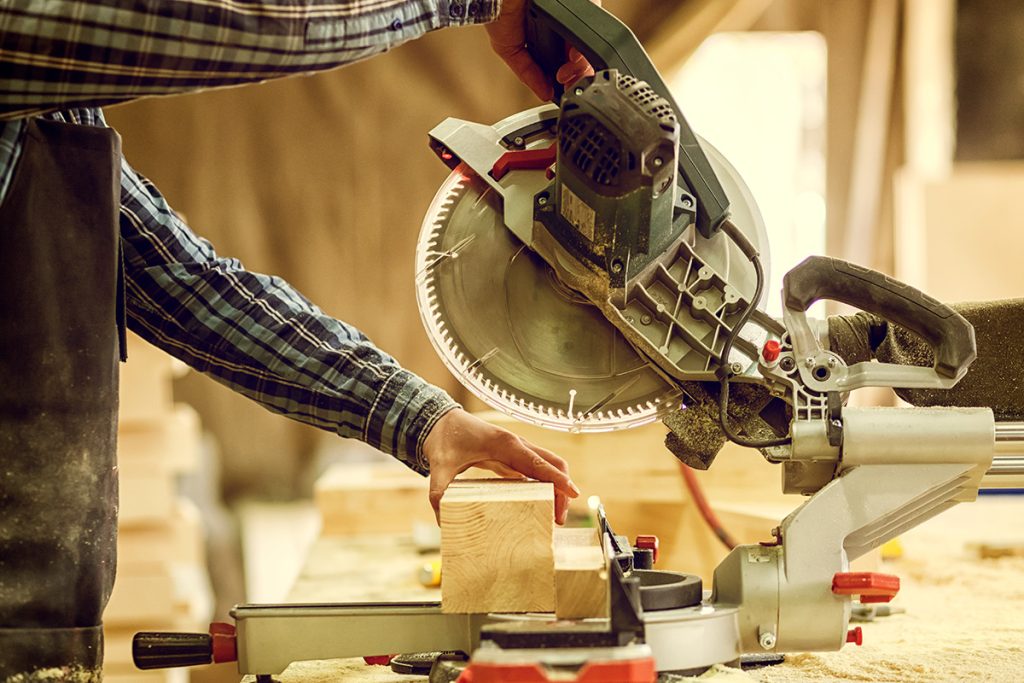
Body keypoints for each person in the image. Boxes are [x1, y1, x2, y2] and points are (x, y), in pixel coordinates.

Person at [0, 1, 592, 678]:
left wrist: (426, 420)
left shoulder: (46, 119)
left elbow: (198, 289)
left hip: (35, 626)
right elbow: (242, 25)